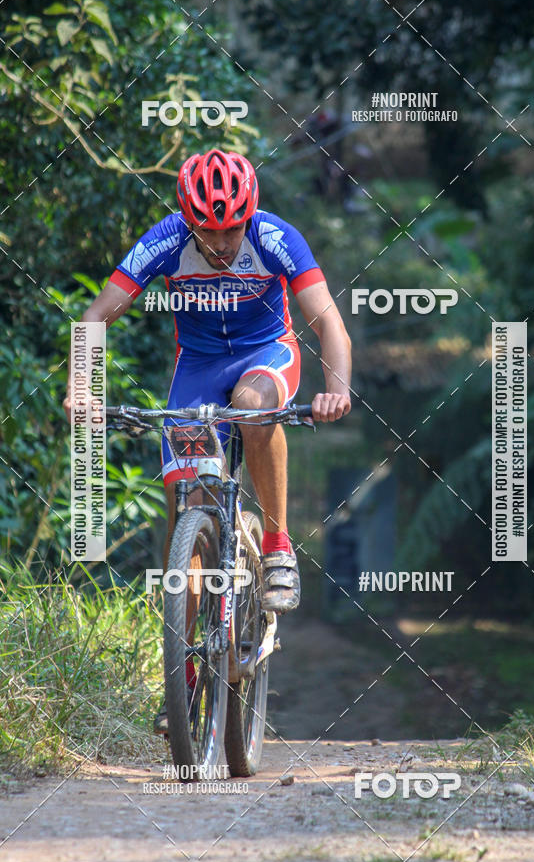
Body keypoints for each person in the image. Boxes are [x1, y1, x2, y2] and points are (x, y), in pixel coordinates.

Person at [64, 149, 352, 615]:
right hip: (198, 366)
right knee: (185, 505)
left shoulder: (275, 237)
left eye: (232, 229)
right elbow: (96, 317)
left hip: (267, 353)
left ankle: (278, 546)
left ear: (250, 217)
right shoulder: (167, 239)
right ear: (187, 221)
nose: (221, 243)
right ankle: (183, 650)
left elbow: (328, 323)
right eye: (207, 230)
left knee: (251, 404)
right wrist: (82, 388)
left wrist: (336, 389)